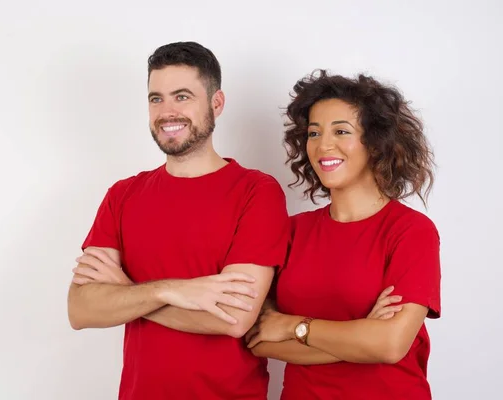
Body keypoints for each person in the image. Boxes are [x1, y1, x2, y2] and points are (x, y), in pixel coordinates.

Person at [66, 41, 292, 400]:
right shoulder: (123, 194)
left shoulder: (257, 191)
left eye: (182, 96)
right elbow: (81, 309)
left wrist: (126, 292)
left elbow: (233, 319)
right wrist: (169, 290)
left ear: (216, 103)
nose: (167, 111)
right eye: (156, 98)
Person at [245, 70, 441, 399]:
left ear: (375, 143)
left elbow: (391, 346)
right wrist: (362, 336)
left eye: (341, 131)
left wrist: (294, 327)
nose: (323, 145)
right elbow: (258, 339)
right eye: (313, 133)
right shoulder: (293, 231)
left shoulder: (411, 231)